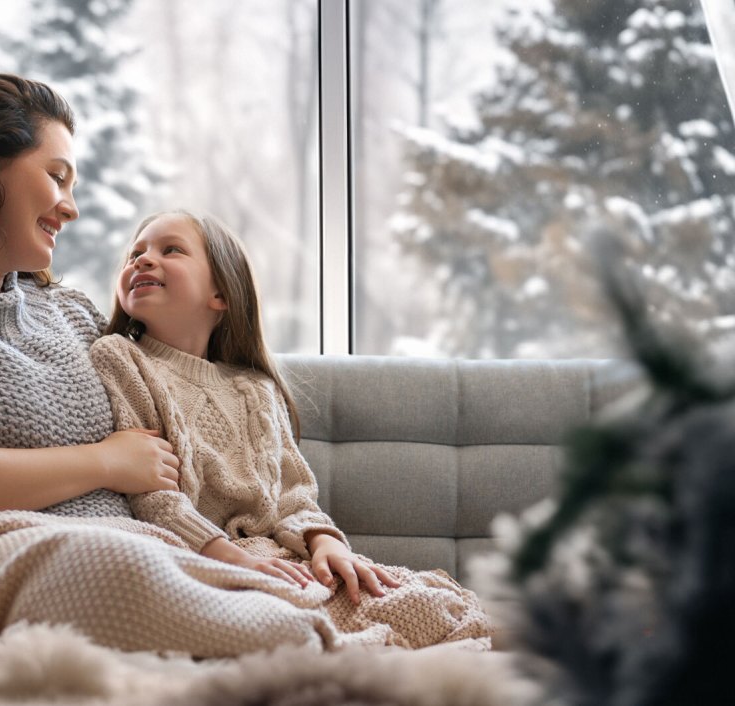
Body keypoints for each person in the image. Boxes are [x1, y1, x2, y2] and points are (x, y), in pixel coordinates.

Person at [0, 74, 347, 656]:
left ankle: (320, 637)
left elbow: (183, 417)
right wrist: (104, 461)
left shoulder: (71, 315)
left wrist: (301, 533)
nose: (71, 208)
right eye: (56, 177)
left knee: (254, 579)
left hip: (123, 543)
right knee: (116, 565)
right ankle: (300, 652)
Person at [89, 209, 492, 649]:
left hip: (279, 558)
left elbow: (293, 496)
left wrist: (326, 544)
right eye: (135, 253)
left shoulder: (254, 389)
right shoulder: (120, 358)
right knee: (342, 620)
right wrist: (228, 558)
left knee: (422, 600)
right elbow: (153, 496)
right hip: (199, 560)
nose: (142, 261)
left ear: (221, 294)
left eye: (171, 250)